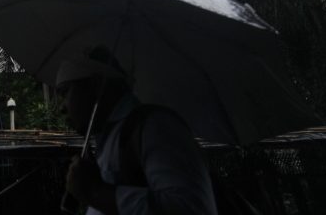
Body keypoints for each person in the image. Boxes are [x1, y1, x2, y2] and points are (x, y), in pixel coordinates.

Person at [57, 57, 217, 215]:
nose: (61, 108)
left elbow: (190, 208)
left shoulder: (155, 127)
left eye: (65, 92)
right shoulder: (109, 138)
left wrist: (95, 192)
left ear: (96, 85)